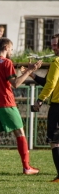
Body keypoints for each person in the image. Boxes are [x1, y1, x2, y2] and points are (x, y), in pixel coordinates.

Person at [0, 37, 42, 175]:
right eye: (12, 49)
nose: (12, 52)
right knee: (20, 132)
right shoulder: (6, 62)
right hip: (5, 102)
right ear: (6, 48)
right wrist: (29, 71)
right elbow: (15, 83)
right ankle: (27, 167)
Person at [29, 34, 59, 182]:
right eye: (52, 45)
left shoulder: (56, 61)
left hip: (57, 106)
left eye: (56, 45)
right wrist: (32, 74)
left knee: (55, 140)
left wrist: (40, 100)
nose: (54, 47)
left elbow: (50, 84)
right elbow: (48, 82)